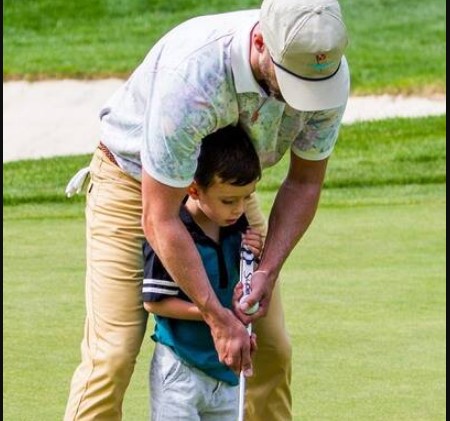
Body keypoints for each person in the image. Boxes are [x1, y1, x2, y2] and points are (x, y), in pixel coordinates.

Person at [64, 0, 350, 419]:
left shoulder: (325, 73)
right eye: (288, 82)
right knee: (114, 353)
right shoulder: (194, 75)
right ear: (259, 42)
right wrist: (216, 317)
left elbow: (305, 182)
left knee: (269, 348)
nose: (298, 100)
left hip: (226, 189)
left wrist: (267, 268)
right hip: (133, 183)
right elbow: (160, 216)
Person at [143, 125, 262, 420]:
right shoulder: (170, 234)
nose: (239, 209)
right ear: (194, 189)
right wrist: (215, 315)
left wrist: (253, 267)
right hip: (180, 368)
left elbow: (242, 295)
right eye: (228, 200)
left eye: (247, 197)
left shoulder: (240, 230)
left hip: (226, 373)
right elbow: (155, 302)